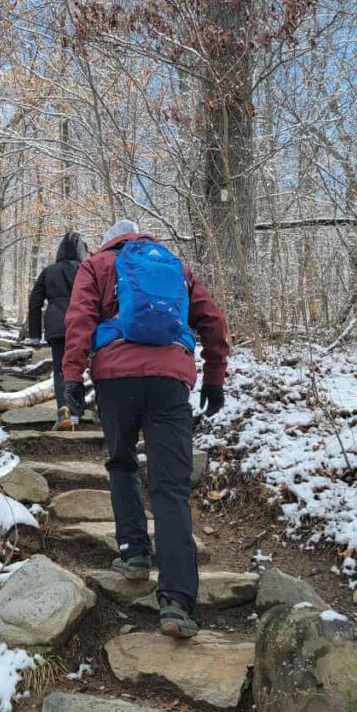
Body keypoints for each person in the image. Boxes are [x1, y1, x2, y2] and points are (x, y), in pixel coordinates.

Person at [62, 219, 229, 638]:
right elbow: (214, 322)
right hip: (170, 379)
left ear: (108, 241)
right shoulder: (175, 266)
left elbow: (80, 321)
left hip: (115, 379)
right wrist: (214, 379)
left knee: (121, 463)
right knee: (170, 487)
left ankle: (134, 554)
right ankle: (176, 603)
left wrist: (71, 380)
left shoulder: (97, 265)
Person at [28, 231, 90, 430]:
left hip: (57, 327)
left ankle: (64, 410)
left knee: (61, 370)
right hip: (81, 324)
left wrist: (35, 334)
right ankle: (78, 413)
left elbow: (35, 301)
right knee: (83, 367)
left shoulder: (49, 271)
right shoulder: (85, 270)